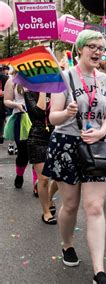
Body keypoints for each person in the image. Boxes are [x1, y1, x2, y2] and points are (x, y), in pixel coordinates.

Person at [42, 30, 106, 284]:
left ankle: (98, 270)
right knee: (70, 205)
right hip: (67, 145)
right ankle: (67, 243)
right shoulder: (65, 77)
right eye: (92, 47)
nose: (97, 52)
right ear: (80, 49)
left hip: (96, 147)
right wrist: (67, 113)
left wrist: (103, 132)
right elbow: (53, 118)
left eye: (101, 48)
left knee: (94, 207)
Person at [24, 91, 56, 224]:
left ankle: (48, 196)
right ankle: (46, 212)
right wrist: (43, 91)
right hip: (38, 138)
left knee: (60, 178)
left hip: (57, 136)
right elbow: (38, 113)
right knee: (43, 179)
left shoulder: (58, 91)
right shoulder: (29, 93)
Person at [3, 77, 33, 190]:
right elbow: (7, 100)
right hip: (21, 118)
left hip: (37, 118)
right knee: (23, 152)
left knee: (38, 152)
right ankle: (19, 175)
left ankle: (38, 183)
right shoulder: (12, 80)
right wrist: (16, 105)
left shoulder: (38, 78)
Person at [0, 65, 9, 144]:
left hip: (3, 102)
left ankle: (1, 135)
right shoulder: (5, 77)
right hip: (3, 103)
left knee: (2, 118)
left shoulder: (5, 78)